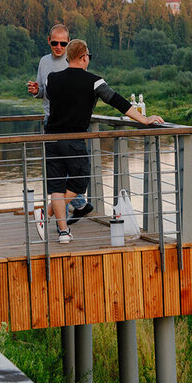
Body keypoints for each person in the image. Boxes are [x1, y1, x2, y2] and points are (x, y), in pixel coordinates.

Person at [44, 38, 164, 243]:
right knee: (79, 183)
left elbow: (53, 101)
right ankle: (46, 214)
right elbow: (117, 101)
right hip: (74, 140)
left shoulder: (51, 79)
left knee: (56, 186)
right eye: (88, 56)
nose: (88, 59)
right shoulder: (94, 81)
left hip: (51, 139)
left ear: (68, 57)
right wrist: (144, 119)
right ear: (83, 57)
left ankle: (63, 231)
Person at [26, 23, 70, 125]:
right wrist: (36, 91)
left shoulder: (75, 61)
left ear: (68, 41)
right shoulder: (43, 61)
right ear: (48, 40)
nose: (58, 47)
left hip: (71, 122)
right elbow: (43, 93)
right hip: (49, 121)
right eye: (55, 43)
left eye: (63, 44)